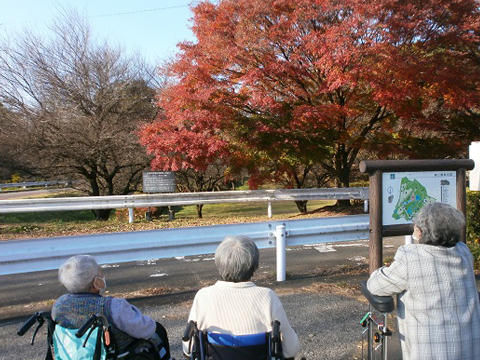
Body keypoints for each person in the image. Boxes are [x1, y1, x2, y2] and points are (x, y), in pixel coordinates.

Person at [367, 202, 480, 360]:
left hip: (430, 351)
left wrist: (381, 271)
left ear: (421, 232)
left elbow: (376, 286)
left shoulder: (412, 258)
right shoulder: (463, 252)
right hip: (469, 348)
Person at [184, 235, 300, 358]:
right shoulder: (267, 296)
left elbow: (188, 349)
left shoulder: (203, 296)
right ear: (254, 265)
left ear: (219, 262)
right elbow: (291, 350)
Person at [51, 255, 171, 359]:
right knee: (158, 329)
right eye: (99, 272)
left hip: (76, 354)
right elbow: (146, 329)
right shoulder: (113, 306)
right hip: (118, 354)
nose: (102, 274)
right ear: (96, 282)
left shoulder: (59, 306)